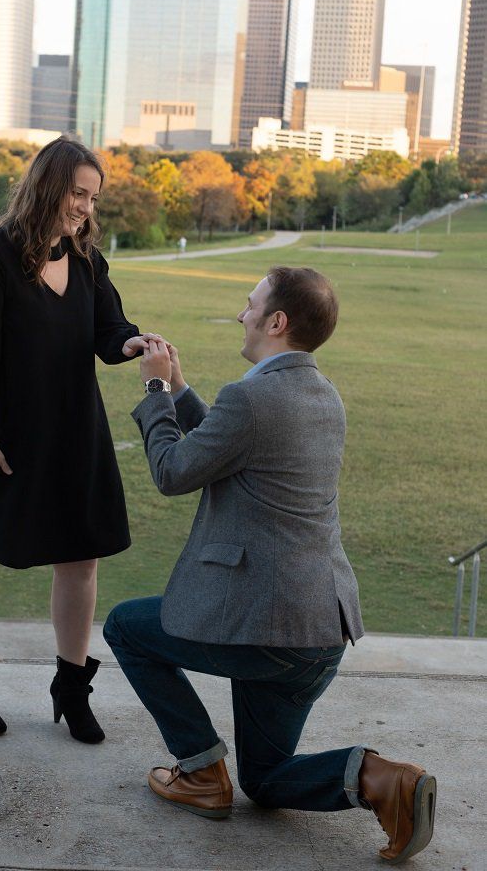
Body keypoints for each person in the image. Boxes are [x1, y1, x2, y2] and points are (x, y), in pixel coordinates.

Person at [104, 266, 436, 864]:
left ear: (276, 322)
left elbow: (175, 472)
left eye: (249, 303)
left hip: (269, 631)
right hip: (319, 634)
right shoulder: (321, 393)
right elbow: (231, 444)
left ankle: (201, 772)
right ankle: (385, 780)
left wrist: (154, 395)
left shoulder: (252, 397)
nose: (242, 313)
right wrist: (180, 389)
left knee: (127, 628)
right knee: (266, 777)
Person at [0, 136, 161, 744]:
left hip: (72, 428)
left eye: (92, 197)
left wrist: (134, 344)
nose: (84, 206)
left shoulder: (85, 257)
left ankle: (71, 688)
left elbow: (110, 331)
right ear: (47, 186)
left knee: (79, 558)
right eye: (76, 193)